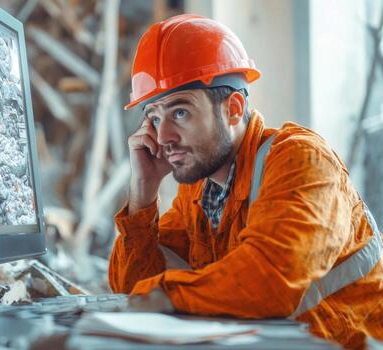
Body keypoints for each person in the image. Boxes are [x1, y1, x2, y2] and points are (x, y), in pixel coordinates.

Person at [108, 14, 383, 349]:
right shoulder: (198, 190)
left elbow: (269, 281)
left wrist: (163, 294)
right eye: (154, 116)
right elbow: (132, 292)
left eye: (180, 112)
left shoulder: (301, 161)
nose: (162, 136)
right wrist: (144, 193)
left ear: (233, 109)